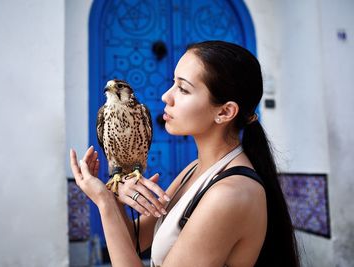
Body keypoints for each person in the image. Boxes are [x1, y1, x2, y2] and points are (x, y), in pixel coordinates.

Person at [70, 40, 300, 267]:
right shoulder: (194, 170)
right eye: (173, 83)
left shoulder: (231, 194)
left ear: (225, 111)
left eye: (183, 88)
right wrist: (112, 193)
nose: (165, 97)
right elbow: (134, 240)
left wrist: (104, 203)